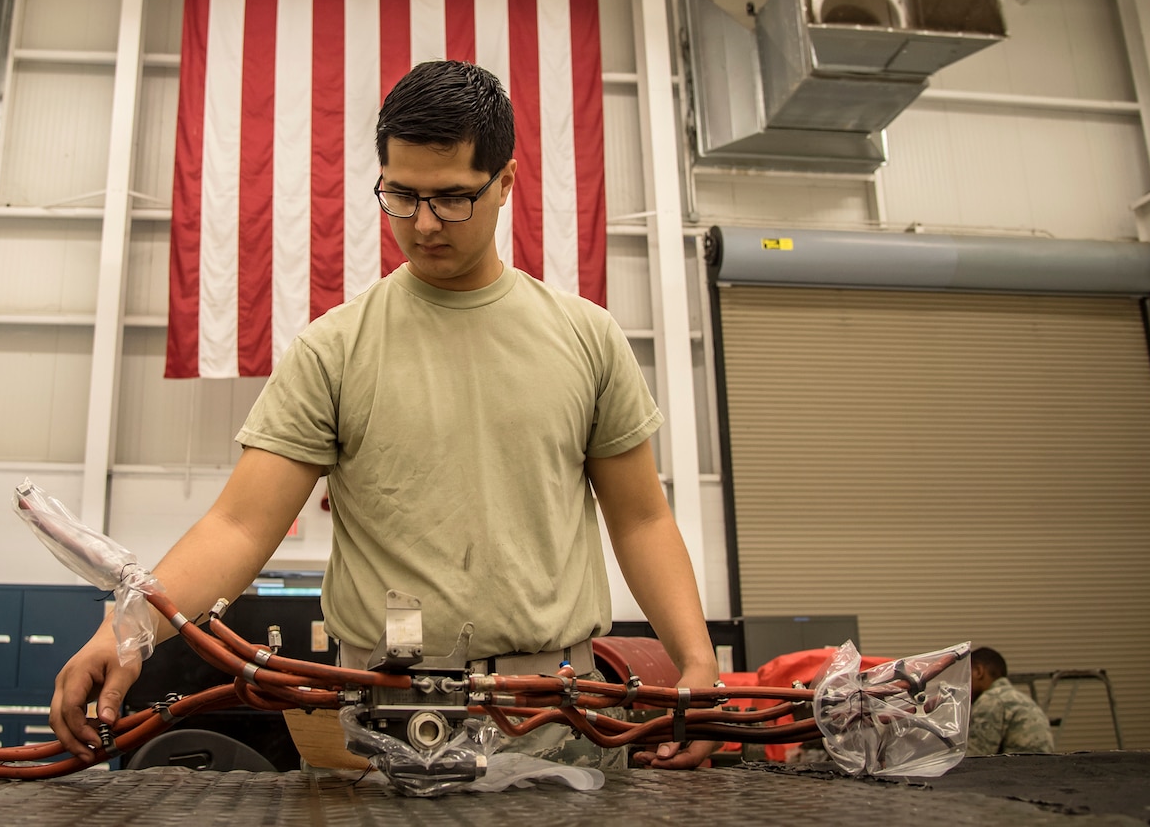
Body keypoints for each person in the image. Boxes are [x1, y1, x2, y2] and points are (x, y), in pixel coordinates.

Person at [50, 59, 719, 770]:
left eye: (453, 198)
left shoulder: (588, 339)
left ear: (507, 183)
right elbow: (239, 525)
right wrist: (127, 632)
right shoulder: (335, 349)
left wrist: (697, 661)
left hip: (559, 724)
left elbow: (641, 518)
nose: (425, 224)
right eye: (401, 195)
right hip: (386, 731)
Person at [967, 646, 1055, 756]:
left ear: (978, 671)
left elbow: (975, 759)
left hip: (1020, 770)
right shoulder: (1021, 698)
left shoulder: (991, 700)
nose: (964, 684)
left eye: (966, 675)